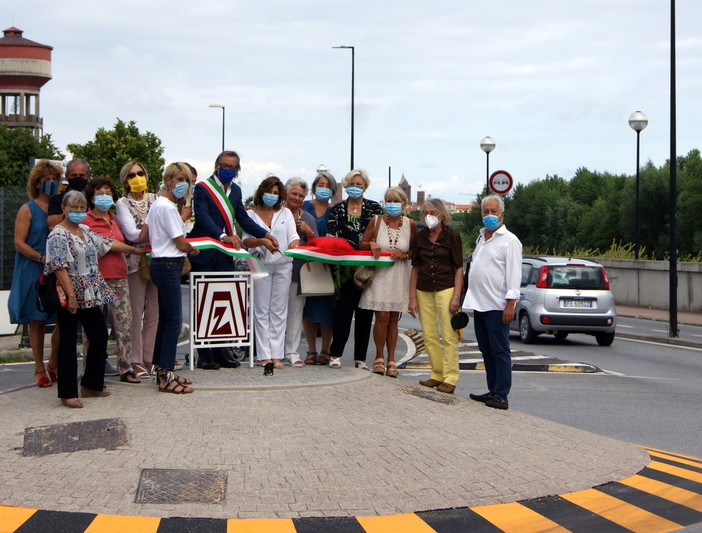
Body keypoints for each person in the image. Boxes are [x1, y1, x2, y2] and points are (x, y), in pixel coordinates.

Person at [45, 191, 145, 408]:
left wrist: (136, 250)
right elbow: (59, 267)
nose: (78, 212)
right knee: (68, 342)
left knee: (99, 336)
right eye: (74, 207)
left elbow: (108, 244)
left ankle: (91, 384)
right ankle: (68, 392)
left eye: (82, 208)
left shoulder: (86, 231)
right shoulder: (58, 235)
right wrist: (71, 295)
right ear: (64, 209)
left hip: (91, 293)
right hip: (69, 293)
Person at [187, 151, 276, 369]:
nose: (227, 169)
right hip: (206, 250)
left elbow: (243, 218)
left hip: (224, 255)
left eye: (232, 167)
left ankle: (220, 351)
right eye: (224, 165)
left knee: (222, 303)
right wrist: (222, 235)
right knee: (204, 303)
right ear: (216, 166)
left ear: (237, 171)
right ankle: (204, 355)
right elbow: (203, 216)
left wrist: (264, 234)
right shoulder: (203, 188)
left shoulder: (235, 191)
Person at [142, 163, 199, 394]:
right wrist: (192, 249)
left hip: (163, 263)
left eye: (186, 180)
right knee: (174, 321)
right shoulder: (166, 207)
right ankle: (165, 374)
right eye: (178, 179)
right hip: (168, 264)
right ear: (168, 180)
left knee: (166, 321)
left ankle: (162, 370)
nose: (182, 184)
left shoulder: (159, 204)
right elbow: (180, 241)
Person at [462, 194, 522, 410]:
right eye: (485, 211)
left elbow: (514, 274)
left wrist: (510, 303)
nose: (489, 215)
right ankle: (493, 389)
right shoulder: (481, 238)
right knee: (486, 350)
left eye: (493, 212)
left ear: (501, 214)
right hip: (480, 303)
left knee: (499, 351)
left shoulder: (510, 241)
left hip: (497, 305)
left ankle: (501, 395)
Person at [8, 160, 61, 388]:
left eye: (54, 179)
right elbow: (19, 243)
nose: (50, 183)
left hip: (57, 269)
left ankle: (54, 362)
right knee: (36, 319)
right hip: (33, 268)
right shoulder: (27, 208)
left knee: (63, 317)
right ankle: (38, 367)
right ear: (37, 183)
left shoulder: (60, 207)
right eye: (45, 179)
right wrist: (41, 258)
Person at [84, 177, 140, 384]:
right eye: (100, 193)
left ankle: (126, 367)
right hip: (95, 279)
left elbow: (127, 238)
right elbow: (106, 245)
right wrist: (131, 249)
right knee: (93, 328)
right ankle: (91, 370)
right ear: (91, 197)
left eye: (108, 193)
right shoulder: (85, 221)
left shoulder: (115, 219)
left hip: (118, 275)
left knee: (124, 323)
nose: (104, 197)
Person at [326, 169, 383, 368]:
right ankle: (335, 354)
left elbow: (380, 236)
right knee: (342, 312)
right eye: (352, 183)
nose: (355, 187)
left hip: (367, 269)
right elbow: (331, 236)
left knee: (365, 313)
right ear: (346, 185)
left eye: (359, 184)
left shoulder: (375, 209)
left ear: (365, 187)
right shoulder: (337, 209)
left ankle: (360, 358)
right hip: (343, 269)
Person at [242, 176, 299, 368]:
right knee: (261, 309)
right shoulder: (250, 215)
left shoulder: (286, 213)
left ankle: (277, 354)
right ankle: (263, 355)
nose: (272, 196)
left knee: (279, 310)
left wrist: (294, 243)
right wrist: (261, 242)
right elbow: (246, 241)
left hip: (283, 264)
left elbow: (294, 236)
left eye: (276, 193)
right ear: (261, 192)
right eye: (269, 192)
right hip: (260, 264)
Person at [408, 199, 464, 394]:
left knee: (448, 335)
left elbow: (458, 267)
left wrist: (456, 295)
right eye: (426, 212)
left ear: (442, 214)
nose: (429, 216)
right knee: (429, 335)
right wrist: (412, 298)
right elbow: (415, 267)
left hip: (446, 288)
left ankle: (450, 377)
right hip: (423, 289)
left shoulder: (453, 236)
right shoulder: (420, 237)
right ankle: (436, 373)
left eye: (433, 212)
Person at [359, 187, 416, 377]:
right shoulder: (375, 221)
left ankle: (392, 360)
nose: (391, 204)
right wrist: (372, 244)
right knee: (381, 317)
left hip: (400, 275)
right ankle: (379, 357)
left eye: (395, 201)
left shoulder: (411, 224)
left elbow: (415, 252)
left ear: (404, 204)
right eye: (388, 201)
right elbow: (362, 244)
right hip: (380, 276)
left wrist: (404, 254)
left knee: (393, 319)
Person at [115, 162, 158, 379]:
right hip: (134, 262)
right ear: (125, 180)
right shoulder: (122, 203)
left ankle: (149, 358)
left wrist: (149, 231)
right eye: (132, 175)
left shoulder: (155, 199)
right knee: (135, 312)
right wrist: (155, 228)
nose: (137, 177)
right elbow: (131, 234)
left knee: (154, 312)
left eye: (140, 173)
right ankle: (135, 359)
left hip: (157, 259)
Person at [301, 171, 337, 366]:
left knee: (326, 308)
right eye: (320, 184)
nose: (323, 188)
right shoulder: (304, 206)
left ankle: (325, 350)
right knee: (308, 309)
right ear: (314, 188)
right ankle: (311, 350)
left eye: (327, 185)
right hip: (307, 264)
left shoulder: (335, 211)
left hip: (327, 265)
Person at [283, 177, 318, 366]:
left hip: (298, 271)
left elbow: (317, 246)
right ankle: (271, 351)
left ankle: (292, 352)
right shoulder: (276, 213)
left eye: (301, 196)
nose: (297, 198)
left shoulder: (308, 218)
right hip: (276, 268)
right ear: (286, 193)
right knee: (275, 312)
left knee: (295, 313)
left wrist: (308, 232)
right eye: (294, 193)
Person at [47, 158, 91, 230]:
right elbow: (51, 226)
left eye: (82, 175)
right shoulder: (57, 200)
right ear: (67, 176)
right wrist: (67, 211)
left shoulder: (93, 200)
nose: (78, 178)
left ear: (88, 176)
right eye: (74, 175)